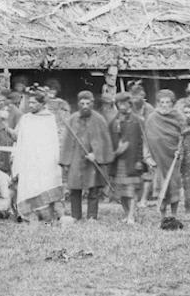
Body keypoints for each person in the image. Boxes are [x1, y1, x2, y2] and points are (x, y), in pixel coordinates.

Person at [61, 90, 114, 222]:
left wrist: (96, 154)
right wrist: (66, 162)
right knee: (74, 189)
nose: (85, 106)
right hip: (76, 159)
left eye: (88, 103)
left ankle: (92, 217)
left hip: (92, 160)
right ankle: (76, 215)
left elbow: (105, 141)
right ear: (78, 103)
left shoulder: (99, 120)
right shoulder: (72, 119)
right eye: (82, 103)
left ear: (92, 104)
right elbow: (67, 141)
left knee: (93, 189)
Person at [11, 89, 64, 222]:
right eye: (29, 102)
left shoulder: (49, 119)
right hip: (29, 160)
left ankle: (49, 216)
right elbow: (18, 137)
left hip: (45, 162)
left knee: (45, 186)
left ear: (42, 104)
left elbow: (52, 143)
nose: (30, 105)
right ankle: (29, 215)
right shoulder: (25, 118)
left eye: (34, 103)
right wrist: (6, 127)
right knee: (29, 186)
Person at [144, 89, 185, 219]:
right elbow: (146, 138)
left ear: (172, 103)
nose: (164, 105)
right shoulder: (152, 118)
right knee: (161, 184)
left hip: (174, 157)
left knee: (173, 184)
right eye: (162, 102)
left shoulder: (178, 117)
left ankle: (173, 214)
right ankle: (163, 215)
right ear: (158, 103)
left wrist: (181, 149)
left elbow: (184, 134)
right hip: (158, 158)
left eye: (167, 102)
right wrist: (148, 157)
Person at [109, 92, 145, 224]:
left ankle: (131, 215)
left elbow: (142, 143)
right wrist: (115, 152)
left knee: (132, 190)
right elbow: (109, 142)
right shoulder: (113, 122)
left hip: (133, 160)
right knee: (121, 192)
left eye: (125, 103)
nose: (123, 106)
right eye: (120, 103)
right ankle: (126, 213)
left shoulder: (137, 120)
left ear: (130, 104)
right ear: (116, 105)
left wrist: (140, 160)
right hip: (118, 162)